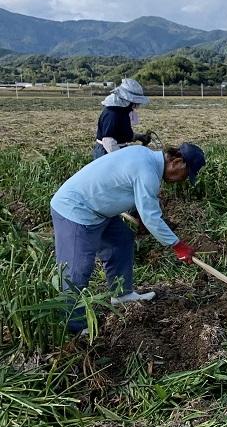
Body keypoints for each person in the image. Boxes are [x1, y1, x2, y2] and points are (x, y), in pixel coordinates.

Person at [50, 143, 206, 333]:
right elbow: (151, 217)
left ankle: (121, 294)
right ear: (177, 162)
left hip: (99, 211)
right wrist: (177, 245)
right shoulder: (147, 171)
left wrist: (138, 213)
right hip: (76, 210)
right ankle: (73, 327)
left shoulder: (145, 156)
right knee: (76, 269)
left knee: (121, 240)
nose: (182, 180)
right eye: (186, 174)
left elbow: (126, 186)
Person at [93, 78, 152, 159]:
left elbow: (121, 133)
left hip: (117, 149)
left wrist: (139, 137)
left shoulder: (123, 111)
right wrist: (121, 160)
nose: (137, 105)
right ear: (127, 99)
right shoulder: (112, 113)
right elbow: (108, 141)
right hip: (107, 152)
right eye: (135, 102)